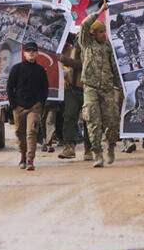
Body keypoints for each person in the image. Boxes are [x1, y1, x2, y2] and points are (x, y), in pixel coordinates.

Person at [78, 1, 120, 168]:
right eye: (100, 32)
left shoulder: (109, 47)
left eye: (105, 31)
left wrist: (120, 86)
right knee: (93, 121)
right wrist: (100, 11)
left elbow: (115, 67)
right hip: (90, 87)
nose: (104, 34)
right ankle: (97, 153)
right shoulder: (87, 44)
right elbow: (84, 24)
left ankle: (110, 146)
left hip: (108, 89)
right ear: (93, 34)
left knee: (111, 121)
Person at [7, 42, 49, 171]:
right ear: (24, 53)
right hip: (19, 107)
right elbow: (10, 88)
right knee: (20, 133)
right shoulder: (16, 69)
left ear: (37, 53)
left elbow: (45, 89)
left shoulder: (40, 70)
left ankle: (30, 160)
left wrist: (40, 103)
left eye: (33, 51)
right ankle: (23, 156)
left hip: (34, 107)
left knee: (31, 132)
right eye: (28, 51)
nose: (31, 53)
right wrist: (14, 105)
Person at [58, 35, 93, 161]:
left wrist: (64, 60)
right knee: (69, 117)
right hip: (72, 89)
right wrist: (64, 76)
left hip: (87, 89)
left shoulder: (89, 47)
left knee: (88, 119)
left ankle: (89, 148)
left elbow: (84, 64)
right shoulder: (67, 47)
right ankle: (69, 147)